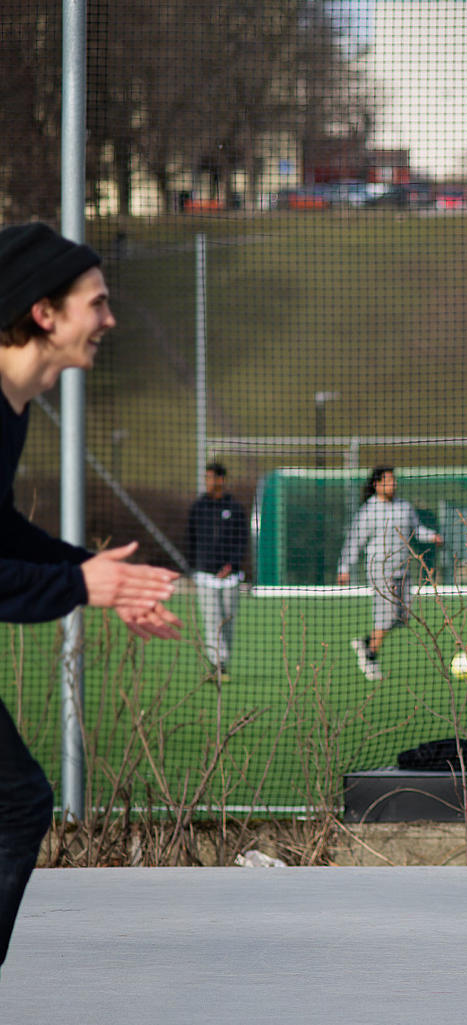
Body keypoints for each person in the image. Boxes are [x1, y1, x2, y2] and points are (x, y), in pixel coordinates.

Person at [0, 222, 182, 971]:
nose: (109, 318)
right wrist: (82, 582)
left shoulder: (8, 404)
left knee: (15, 801)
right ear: (45, 313)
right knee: (15, 803)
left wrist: (92, 572)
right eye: (97, 303)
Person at [337, 466, 443, 681]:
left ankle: (366, 642)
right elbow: (355, 541)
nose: (393, 484)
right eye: (388, 481)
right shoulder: (368, 511)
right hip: (379, 570)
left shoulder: (404, 507)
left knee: (403, 617)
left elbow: (416, 530)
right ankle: (370, 657)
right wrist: (344, 567)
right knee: (386, 616)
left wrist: (432, 536)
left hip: (402, 569)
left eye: (394, 481)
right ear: (377, 485)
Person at [186, 461, 247, 681]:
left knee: (227, 621)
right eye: (206, 478)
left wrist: (232, 565)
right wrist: (194, 568)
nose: (208, 482)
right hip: (205, 577)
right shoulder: (198, 507)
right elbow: (191, 540)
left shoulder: (235, 507)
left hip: (230, 578)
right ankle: (217, 665)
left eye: (212, 478)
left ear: (221, 479)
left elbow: (242, 540)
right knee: (212, 620)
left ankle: (223, 662)